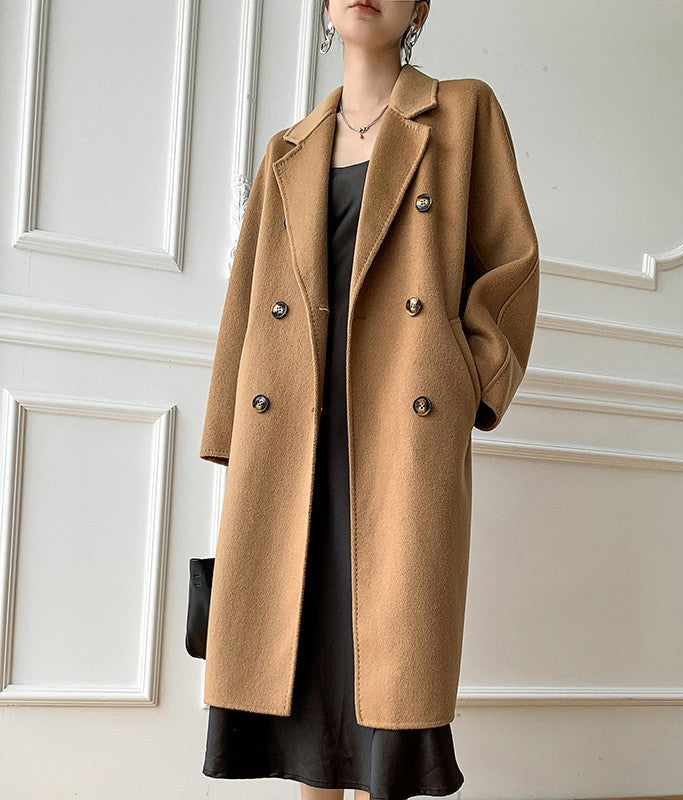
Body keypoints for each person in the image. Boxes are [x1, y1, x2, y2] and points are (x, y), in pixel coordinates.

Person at [199, 1, 540, 798]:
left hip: (398, 427)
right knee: (301, 655)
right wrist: (229, 432)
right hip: (292, 431)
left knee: (389, 665)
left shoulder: (462, 112)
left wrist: (465, 381)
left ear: (420, 7)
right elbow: (247, 300)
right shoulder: (288, 149)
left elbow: (512, 265)